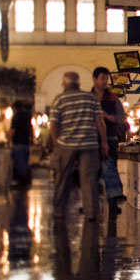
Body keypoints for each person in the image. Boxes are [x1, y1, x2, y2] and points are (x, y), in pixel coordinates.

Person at [47, 71, 109, 221]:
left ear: (64, 84)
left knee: (62, 177)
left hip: (66, 144)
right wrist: (104, 142)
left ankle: (59, 211)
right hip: (89, 144)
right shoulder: (90, 98)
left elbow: (54, 124)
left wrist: (56, 143)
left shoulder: (59, 99)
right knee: (89, 179)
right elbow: (99, 121)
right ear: (79, 83)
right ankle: (91, 213)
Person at [91, 67, 127, 210]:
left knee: (110, 167)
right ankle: (91, 204)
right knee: (91, 172)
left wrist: (106, 116)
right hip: (92, 139)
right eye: (103, 78)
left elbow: (121, 118)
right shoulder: (89, 97)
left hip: (111, 138)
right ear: (94, 79)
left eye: (107, 78)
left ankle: (112, 201)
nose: (105, 81)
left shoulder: (113, 98)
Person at [9, 99, 34, 187]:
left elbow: (13, 130)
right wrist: (32, 139)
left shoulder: (15, 117)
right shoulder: (27, 116)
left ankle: (24, 181)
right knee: (25, 163)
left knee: (19, 163)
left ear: (14, 108)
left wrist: (8, 140)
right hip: (26, 143)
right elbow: (31, 128)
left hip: (17, 143)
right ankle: (24, 181)